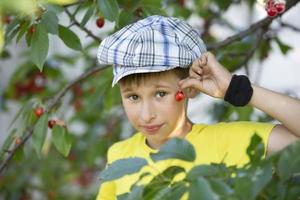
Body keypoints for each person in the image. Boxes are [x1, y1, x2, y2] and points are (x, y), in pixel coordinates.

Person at [95, 15, 300, 199]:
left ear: (190, 88)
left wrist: (235, 89)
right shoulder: (119, 156)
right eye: (133, 97)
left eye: (160, 94)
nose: (146, 115)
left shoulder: (227, 142)